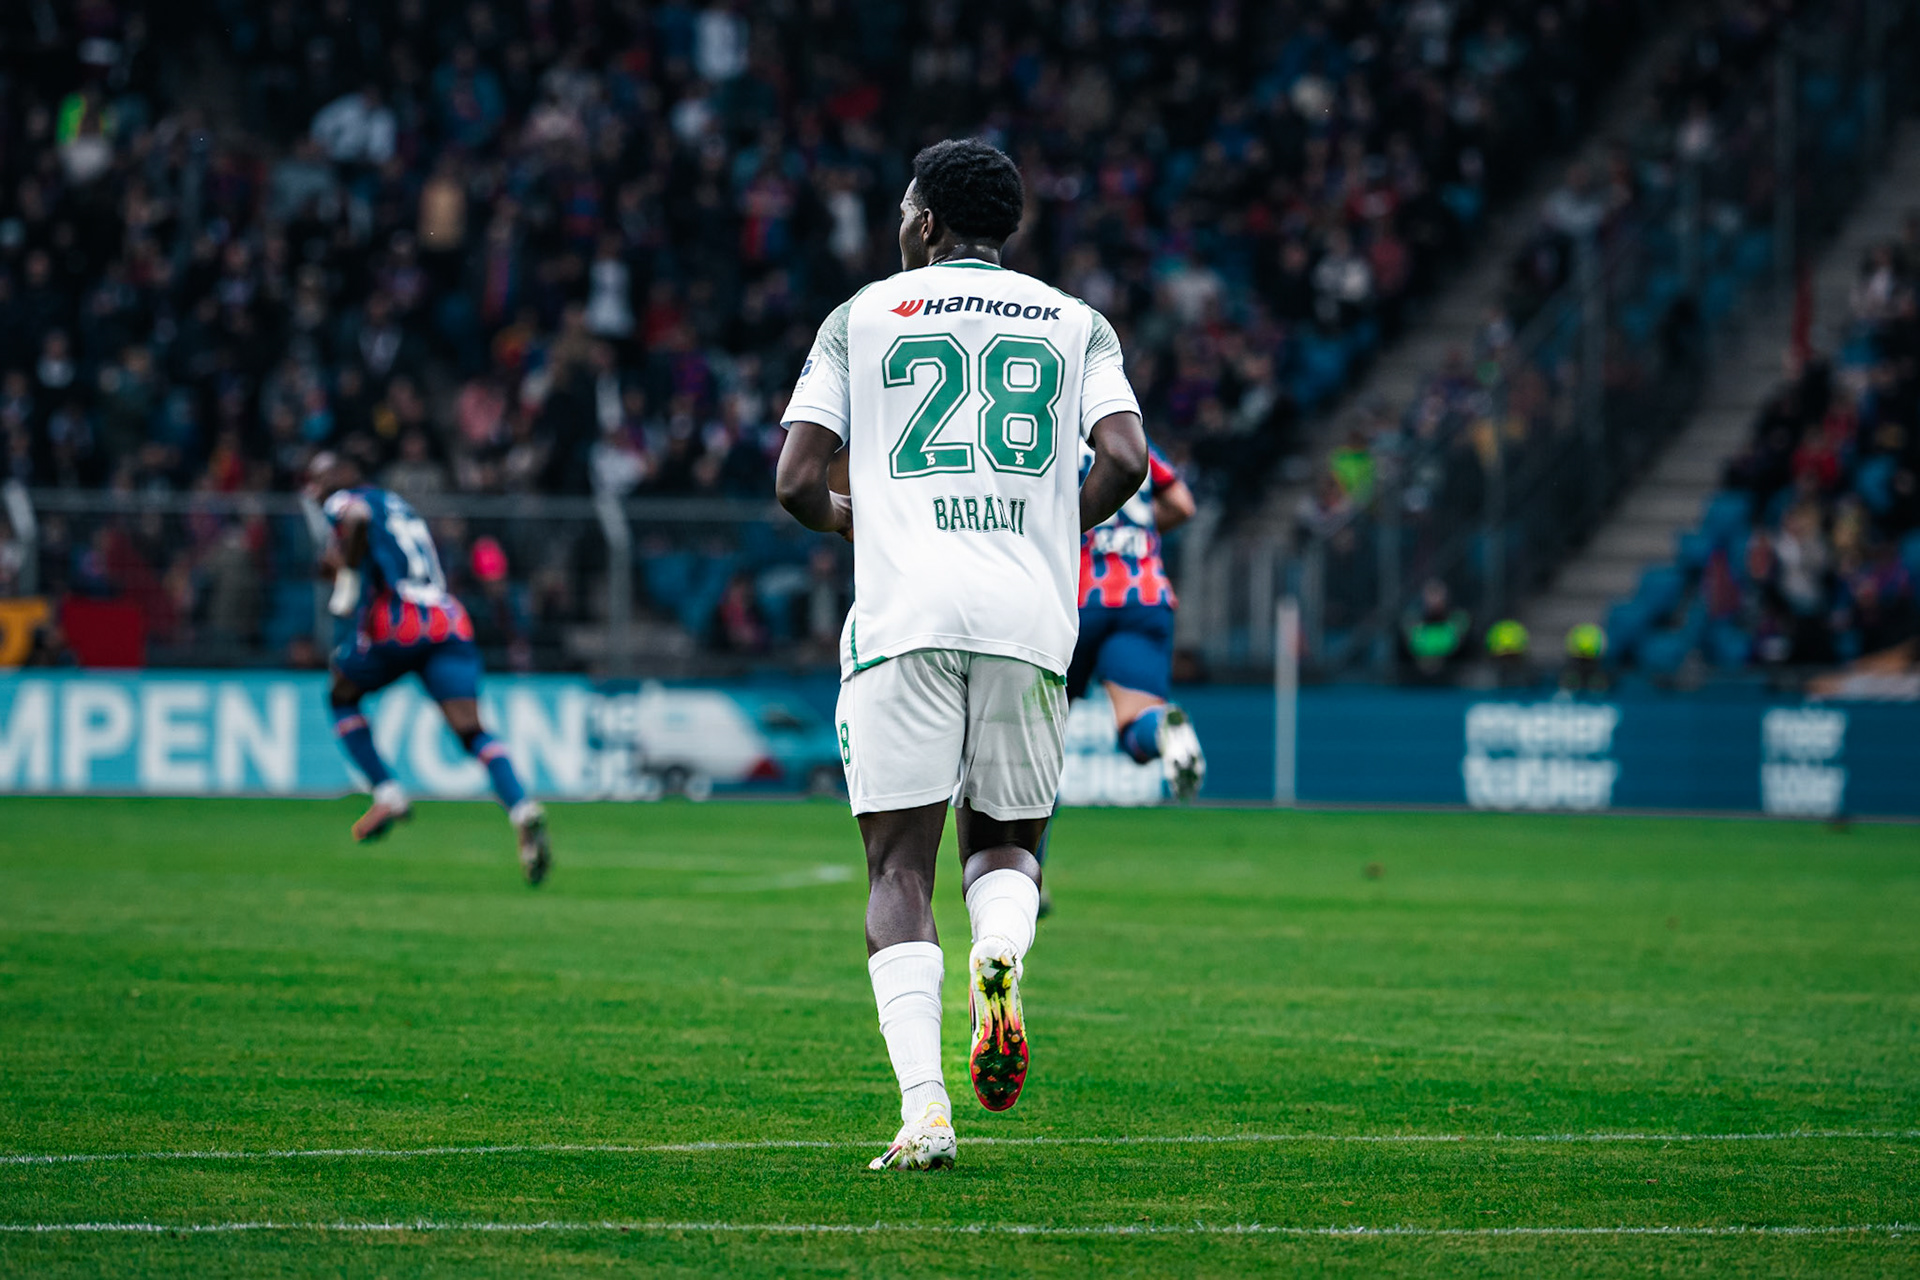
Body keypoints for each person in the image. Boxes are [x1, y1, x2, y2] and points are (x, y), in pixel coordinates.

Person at [776, 138, 1148, 1171]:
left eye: (904, 212)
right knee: (1008, 848)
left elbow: (796, 480)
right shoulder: (1080, 324)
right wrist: (1049, 531)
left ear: (927, 223)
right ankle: (1001, 957)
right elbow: (1125, 456)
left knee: (901, 864)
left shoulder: (861, 316)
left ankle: (926, 1109)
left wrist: (865, 516)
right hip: (1032, 616)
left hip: (907, 616)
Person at [306, 451, 552, 885]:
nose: (313, 488)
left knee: (341, 695)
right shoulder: (398, 503)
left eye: (317, 479)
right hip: (446, 619)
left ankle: (388, 793)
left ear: (343, 476)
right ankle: (521, 808)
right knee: (472, 730)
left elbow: (358, 519)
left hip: (399, 621)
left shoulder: (344, 500)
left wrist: (346, 578)